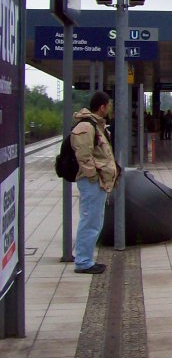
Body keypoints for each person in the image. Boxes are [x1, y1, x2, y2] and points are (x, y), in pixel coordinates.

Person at [70, 90, 119, 274]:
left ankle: (86, 259)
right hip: (92, 182)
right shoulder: (87, 126)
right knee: (90, 220)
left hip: (97, 181)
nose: (109, 110)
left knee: (94, 221)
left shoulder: (97, 125)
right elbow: (83, 155)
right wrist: (93, 176)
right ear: (102, 107)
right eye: (109, 106)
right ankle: (83, 262)